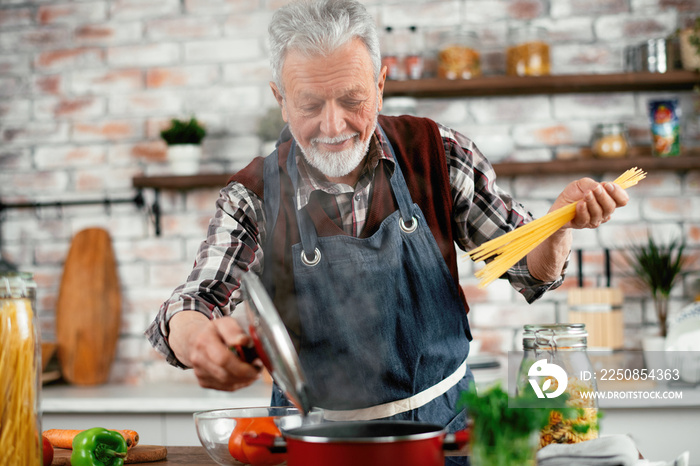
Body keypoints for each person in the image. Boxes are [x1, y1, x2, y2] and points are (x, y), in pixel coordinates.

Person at [146, 1, 628, 464]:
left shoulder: (439, 155)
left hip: (446, 437)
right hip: (313, 445)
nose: (332, 125)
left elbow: (528, 268)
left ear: (379, 86)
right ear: (281, 99)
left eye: (352, 100)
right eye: (310, 104)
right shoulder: (254, 194)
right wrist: (199, 343)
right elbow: (192, 304)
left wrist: (560, 225)